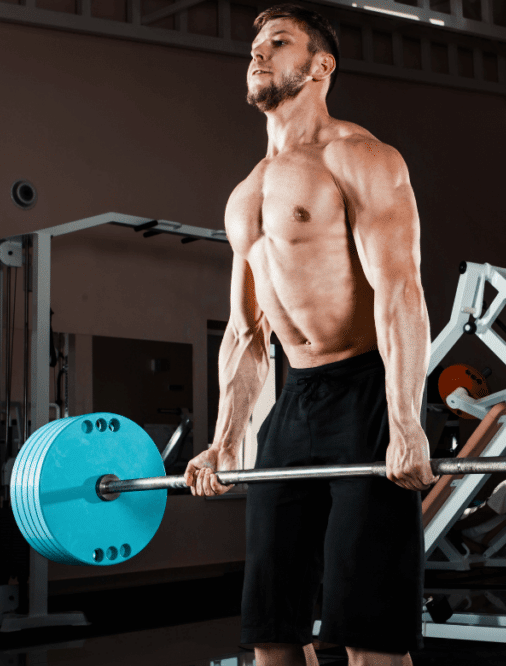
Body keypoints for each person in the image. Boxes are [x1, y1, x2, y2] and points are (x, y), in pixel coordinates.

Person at [183, 5, 436, 666]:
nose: (258, 54)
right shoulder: (248, 191)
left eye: (278, 42)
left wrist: (406, 422)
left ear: (321, 66)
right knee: (272, 631)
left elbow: (400, 290)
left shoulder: (361, 157)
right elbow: (245, 329)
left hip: (366, 393)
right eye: (254, 45)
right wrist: (225, 438)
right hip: (293, 404)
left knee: (367, 637)